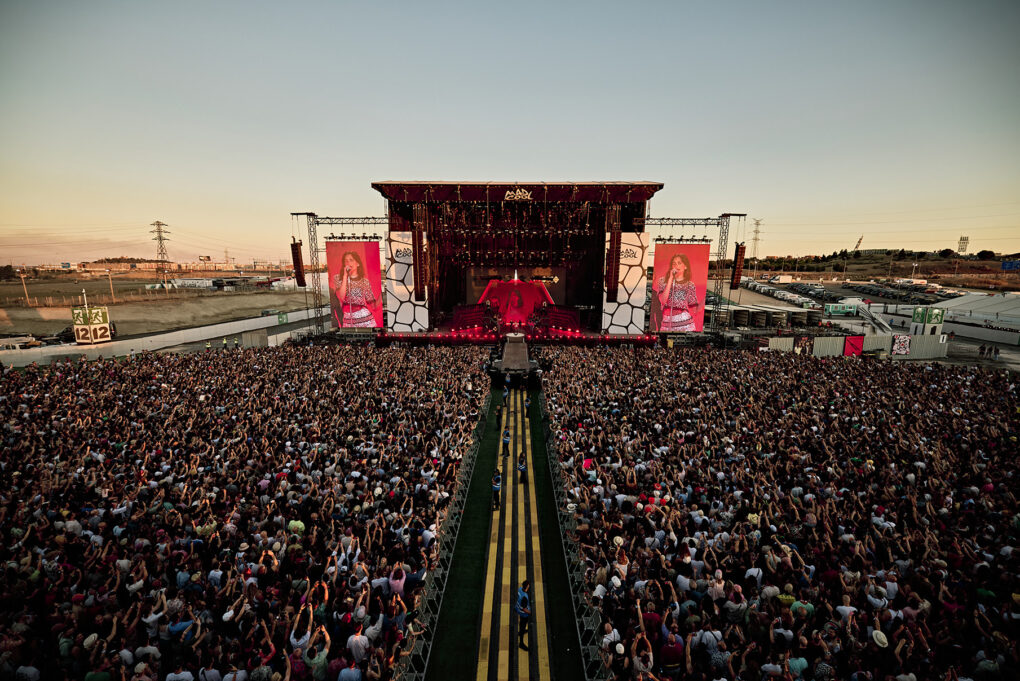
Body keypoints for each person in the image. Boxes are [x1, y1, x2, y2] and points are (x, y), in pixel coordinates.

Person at [333, 250, 379, 328]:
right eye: (346, 261)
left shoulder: (364, 281)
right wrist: (345, 276)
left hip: (365, 318)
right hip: (348, 319)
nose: (348, 263)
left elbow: (373, 305)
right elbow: (341, 297)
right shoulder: (338, 278)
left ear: (357, 264)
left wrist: (381, 295)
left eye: (351, 260)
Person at [655, 253, 699, 332]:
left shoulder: (690, 285)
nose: (676, 266)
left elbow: (694, 308)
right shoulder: (662, 281)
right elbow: (663, 300)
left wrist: (703, 303)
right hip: (667, 322)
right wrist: (670, 279)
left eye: (679, 263)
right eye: (674, 263)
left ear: (685, 267)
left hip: (685, 323)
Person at [516, 580, 532, 650]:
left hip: (518, 609)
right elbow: (524, 609)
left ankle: (521, 631)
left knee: (522, 623)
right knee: (523, 624)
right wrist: (529, 612)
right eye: (528, 585)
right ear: (527, 587)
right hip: (524, 614)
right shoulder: (525, 597)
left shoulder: (520, 589)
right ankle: (521, 643)